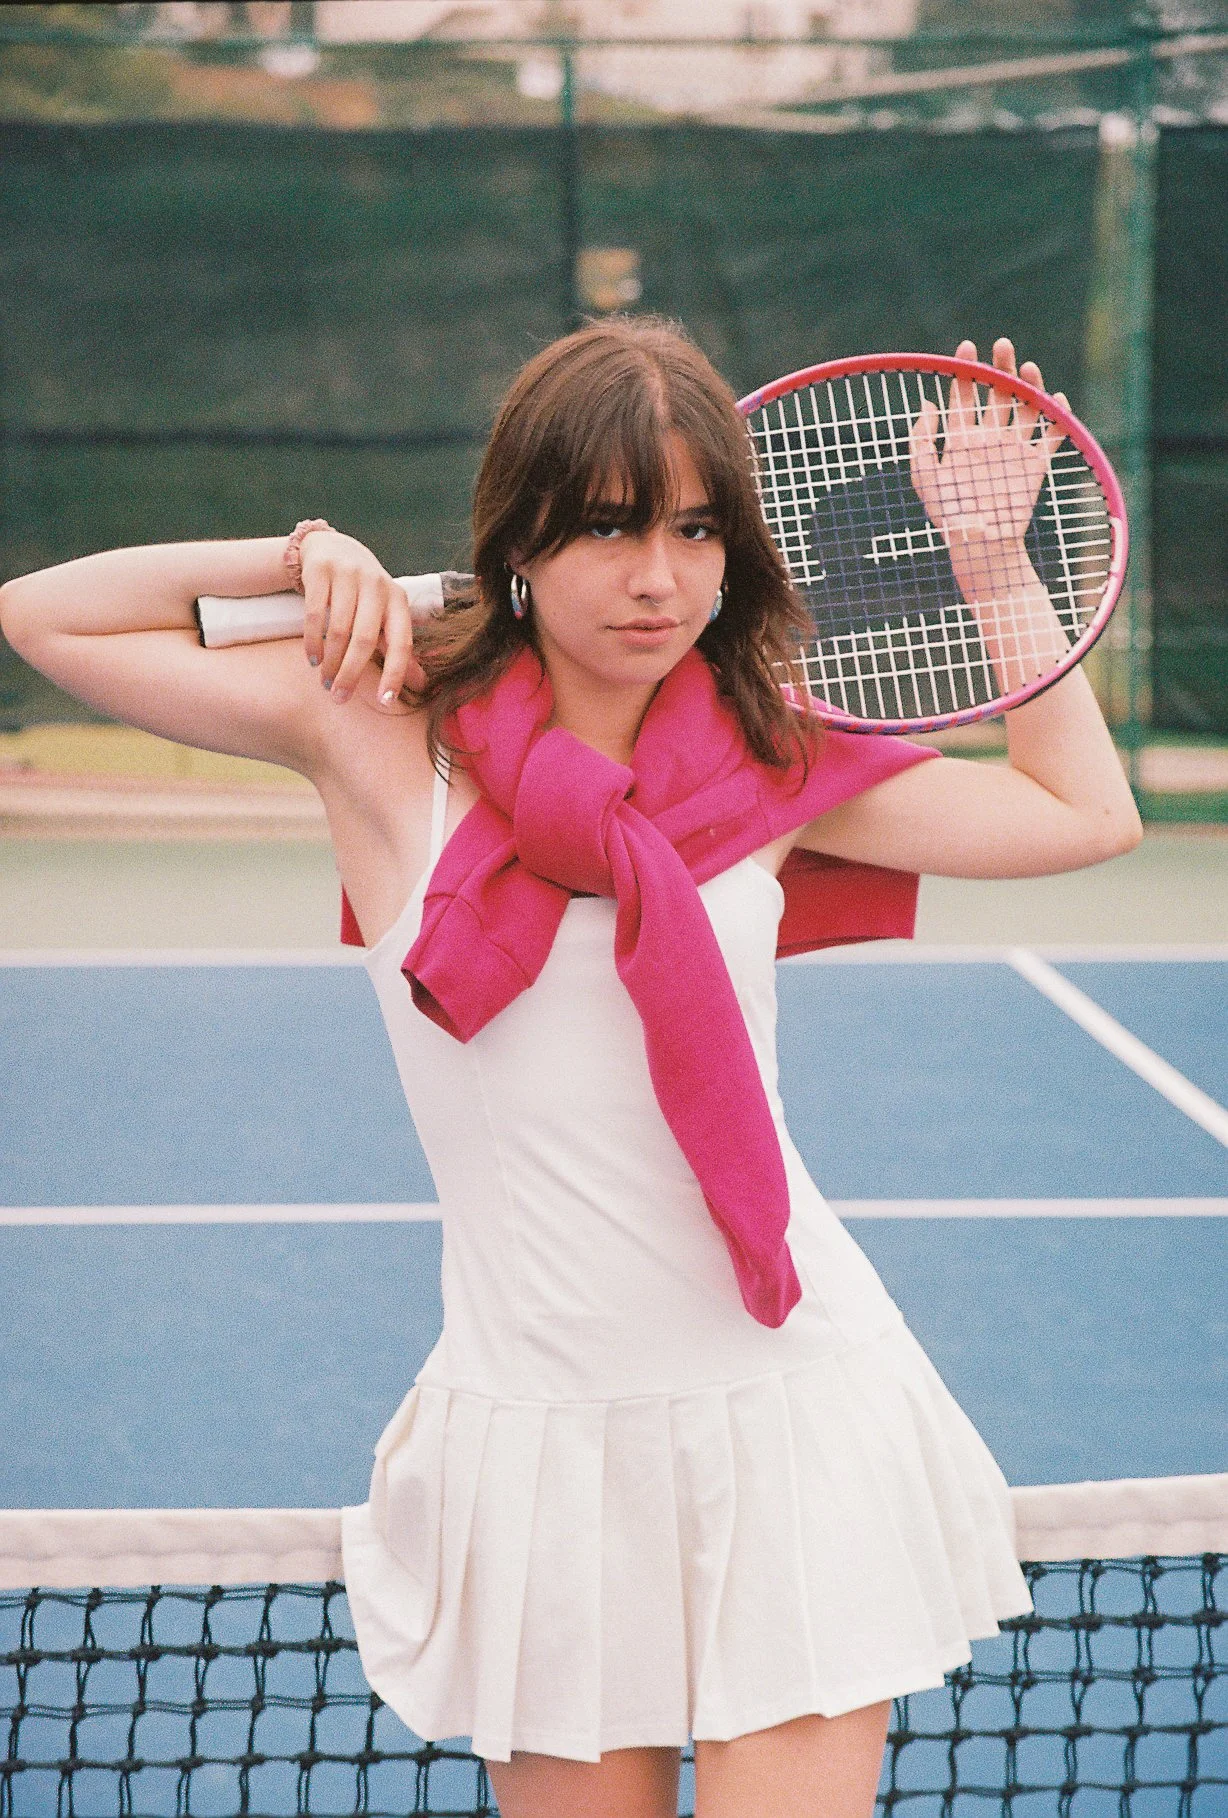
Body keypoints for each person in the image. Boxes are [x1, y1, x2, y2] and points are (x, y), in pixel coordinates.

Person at [0, 316, 1141, 1818]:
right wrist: (302, 559)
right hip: (544, 1446)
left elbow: (1082, 814)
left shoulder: (775, 766)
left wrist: (994, 566)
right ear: (522, 539)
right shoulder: (382, 742)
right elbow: (46, 619)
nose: (658, 575)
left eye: (695, 529)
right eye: (608, 525)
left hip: (793, 1409)